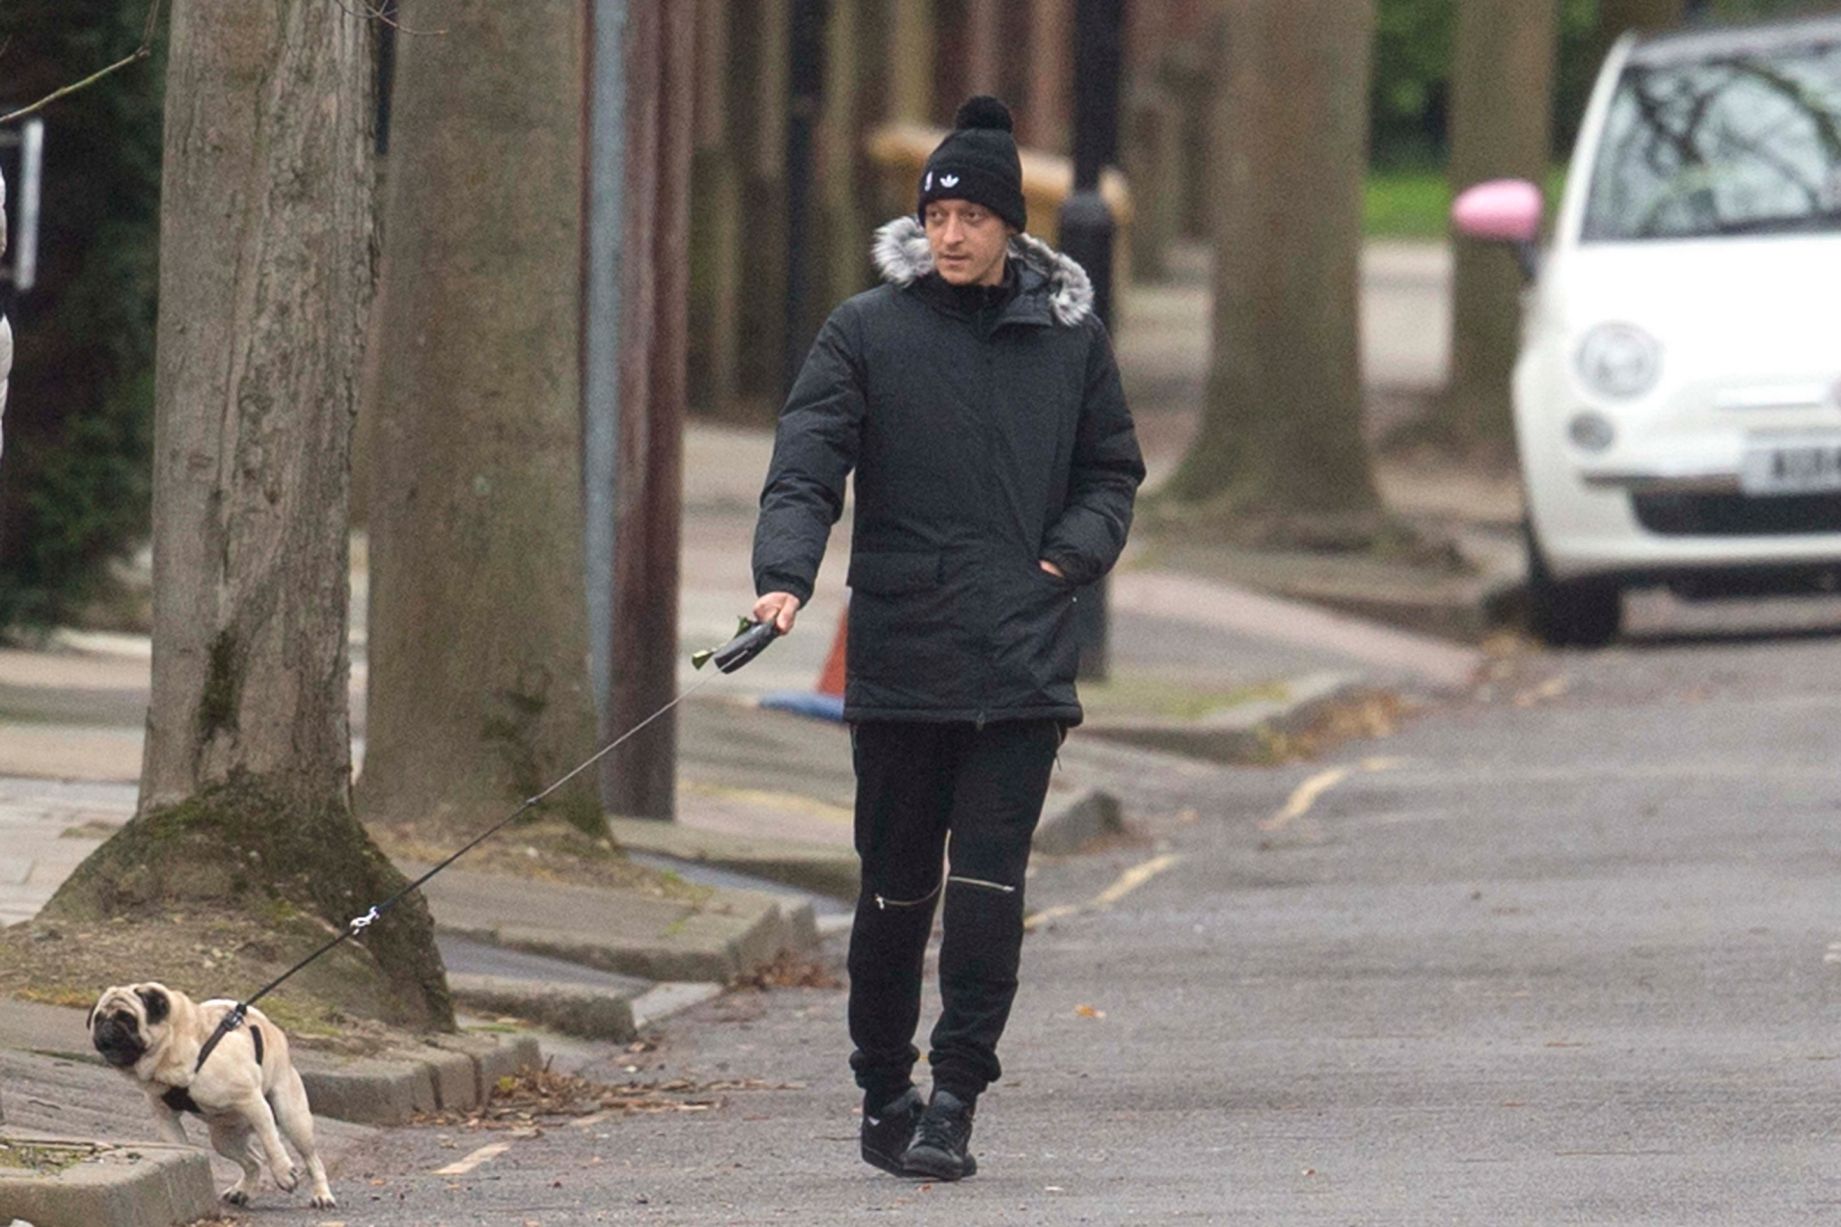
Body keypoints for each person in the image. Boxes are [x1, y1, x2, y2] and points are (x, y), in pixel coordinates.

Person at [750, 95, 1143, 1181]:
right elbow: (806, 462)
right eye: (936, 216)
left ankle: (957, 1095)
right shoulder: (864, 332)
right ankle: (883, 1079)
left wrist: (1063, 559)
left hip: (1019, 663)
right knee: (893, 888)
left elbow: (1111, 472)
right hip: (902, 660)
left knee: (986, 889)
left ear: (1012, 225)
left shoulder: (1070, 341)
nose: (952, 234)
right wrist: (781, 580)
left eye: (972, 215)